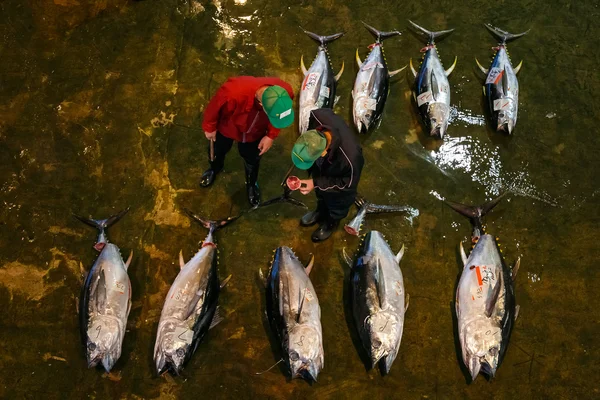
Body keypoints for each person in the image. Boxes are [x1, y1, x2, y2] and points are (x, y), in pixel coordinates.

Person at [200, 76, 295, 207]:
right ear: (261, 105)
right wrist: (209, 127)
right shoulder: (233, 91)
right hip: (228, 128)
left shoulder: (286, 92)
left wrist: (271, 136)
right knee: (218, 150)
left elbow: (280, 115)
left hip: (255, 133)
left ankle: (251, 183)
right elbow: (214, 108)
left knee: (253, 159)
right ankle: (214, 168)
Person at [291, 108, 364, 242]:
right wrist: (316, 180)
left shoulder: (351, 159)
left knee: (337, 204)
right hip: (325, 168)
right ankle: (320, 212)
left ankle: (331, 223)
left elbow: (347, 184)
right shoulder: (317, 116)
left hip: (342, 184)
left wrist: (315, 183)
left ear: (324, 152)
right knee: (321, 195)